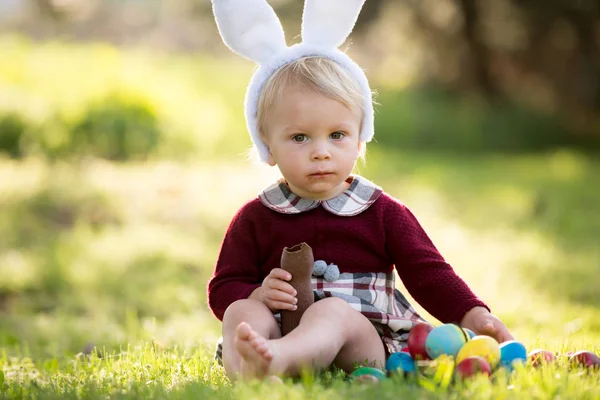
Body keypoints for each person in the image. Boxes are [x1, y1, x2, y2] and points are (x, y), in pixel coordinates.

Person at [207, 0, 513, 381]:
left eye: (337, 135)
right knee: (241, 314)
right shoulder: (257, 216)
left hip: (363, 340)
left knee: (329, 312)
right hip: (281, 328)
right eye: (299, 137)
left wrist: (472, 313)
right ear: (268, 146)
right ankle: (251, 369)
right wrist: (256, 296)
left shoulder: (381, 212)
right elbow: (224, 286)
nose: (321, 151)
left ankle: (278, 361)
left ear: (359, 140)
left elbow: (428, 273)